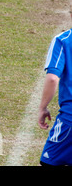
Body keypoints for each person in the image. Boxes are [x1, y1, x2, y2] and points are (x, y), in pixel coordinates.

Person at [38, 21, 72, 166]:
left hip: (70, 119)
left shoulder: (63, 40)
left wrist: (42, 107)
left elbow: (52, 79)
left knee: (49, 162)